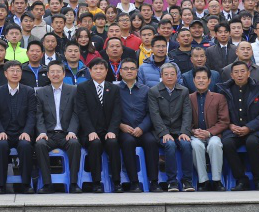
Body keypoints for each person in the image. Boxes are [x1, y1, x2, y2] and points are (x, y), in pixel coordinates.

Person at [220, 61, 259, 191]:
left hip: (254, 129)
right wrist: (230, 125)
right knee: (227, 143)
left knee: (252, 142)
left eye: (242, 71)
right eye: (236, 72)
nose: (239, 75)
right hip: (233, 129)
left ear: (248, 73)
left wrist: (249, 127)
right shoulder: (224, 90)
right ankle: (241, 180)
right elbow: (220, 113)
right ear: (231, 75)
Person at [33, 61, 82, 193]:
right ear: (48, 75)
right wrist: (42, 132)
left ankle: (73, 183)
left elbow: (76, 113)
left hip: (66, 133)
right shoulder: (41, 92)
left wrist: (72, 131)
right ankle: (47, 184)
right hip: (49, 134)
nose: (55, 74)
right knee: (40, 145)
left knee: (74, 144)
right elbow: (39, 115)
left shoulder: (73, 90)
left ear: (64, 74)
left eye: (58, 71)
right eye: (52, 72)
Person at [75, 58, 122, 193]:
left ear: (107, 71)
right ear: (90, 71)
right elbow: (82, 112)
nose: (98, 71)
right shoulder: (82, 88)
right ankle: (96, 183)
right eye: (95, 68)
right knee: (95, 144)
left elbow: (117, 112)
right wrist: (90, 131)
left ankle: (116, 182)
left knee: (113, 143)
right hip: (89, 132)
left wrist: (112, 130)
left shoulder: (113, 88)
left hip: (108, 130)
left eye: (101, 68)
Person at [149, 62, 194, 192]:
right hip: (161, 131)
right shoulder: (154, 91)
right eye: (166, 74)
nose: (169, 77)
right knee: (170, 145)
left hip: (179, 129)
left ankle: (187, 181)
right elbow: (155, 114)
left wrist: (185, 131)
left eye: (172, 74)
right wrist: (164, 132)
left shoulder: (184, 91)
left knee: (186, 144)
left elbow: (187, 113)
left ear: (177, 75)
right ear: (161, 76)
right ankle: (172, 181)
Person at [116, 59, 159, 193]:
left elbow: (151, 113)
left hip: (143, 129)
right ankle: (134, 182)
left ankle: (154, 182)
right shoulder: (114, 90)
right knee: (128, 142)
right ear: (120, 72)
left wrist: (142, 127)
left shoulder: (146, 90)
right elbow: (110, 113)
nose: (129, 71)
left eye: (132, 68)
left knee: (151, 141)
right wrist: (120, 125)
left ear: (137, 71)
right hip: (124, 130)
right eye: (126, 68)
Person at [0, 61, 35, 194]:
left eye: (18, 70)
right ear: (5, 74)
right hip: (4, 132)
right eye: (12, 70)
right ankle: (1, 185)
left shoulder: (29, 91)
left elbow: (32, 114)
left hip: (22, 132)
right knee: (1, 146)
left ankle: (26, 184)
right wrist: (0, 131)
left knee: (25, 146)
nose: (15, 73)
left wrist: (27, 132)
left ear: (21, 73)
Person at [187, 69, 229, 191]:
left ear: (209, 81)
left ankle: (217, 180)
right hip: (195, 135)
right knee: (196, 145)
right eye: (198, 78)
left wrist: (209, 132)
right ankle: (203, 181)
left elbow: (224, 121)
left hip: (213, 134)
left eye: (204, 78)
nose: (201, 80)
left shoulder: (219, 97)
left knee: (215, 144)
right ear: (193, 80)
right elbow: (184, 119)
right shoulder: (188, 98)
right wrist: (193, 131)